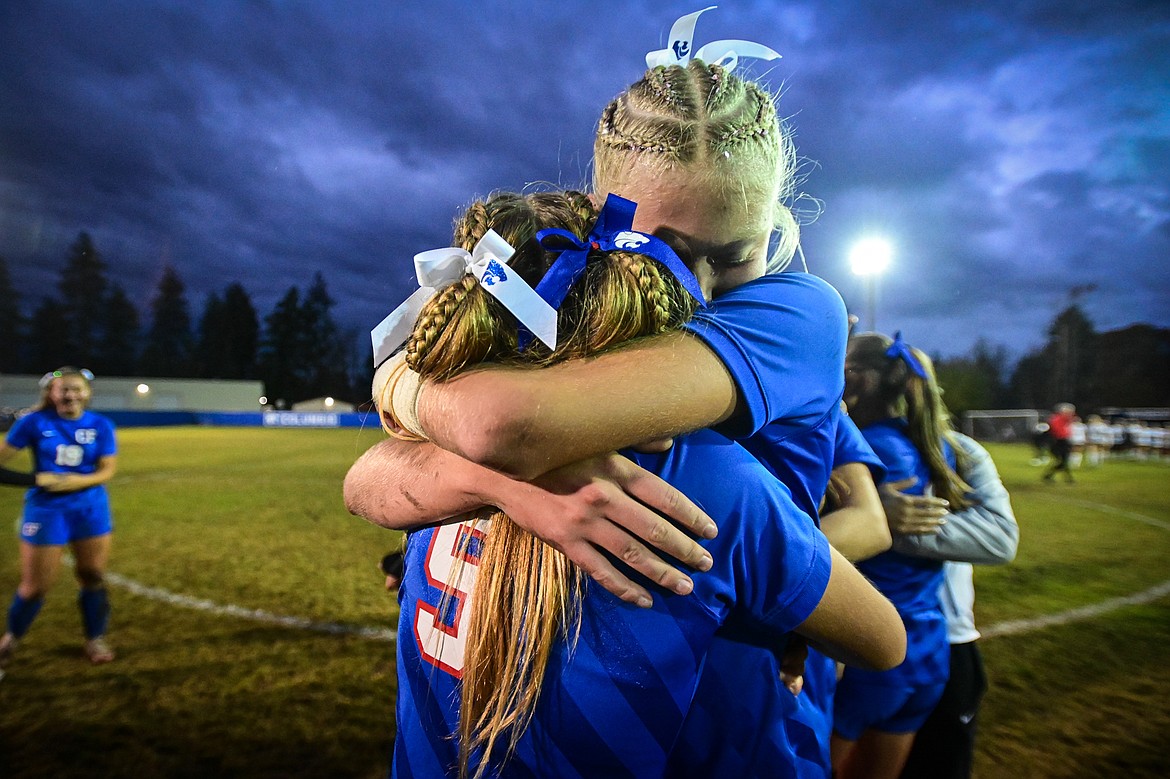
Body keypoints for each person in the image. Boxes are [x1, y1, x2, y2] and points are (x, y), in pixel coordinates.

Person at [347, 17, 898, 774]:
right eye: (666, 251)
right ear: (599, 214)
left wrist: (409, 383)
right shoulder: (551, 367)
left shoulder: (797, 313)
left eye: (738, 256)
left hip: (734, 715)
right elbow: (390, 470)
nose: (701, 292)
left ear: (777, 224)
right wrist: (502, 479)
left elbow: (491, 426)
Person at [830, 332, 973, 779]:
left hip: (870, 644)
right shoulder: (935, 444)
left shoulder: (867, 445)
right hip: (928, 648)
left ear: (860, 378)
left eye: (847, 366)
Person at [884, 430, 1019, 779]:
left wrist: (885, 523)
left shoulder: (959, 450)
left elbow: (1000, 538)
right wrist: (868, 509)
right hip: (849, 639)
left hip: (945, 639)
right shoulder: (837, 438)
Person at [0, 367, 118, 667]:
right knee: (35, 587)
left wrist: (76, 482)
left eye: (77, 389)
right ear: (51, 393)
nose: (70, 395)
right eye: (63, 389)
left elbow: (107, 470)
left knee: (92, 576)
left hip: (91, 509)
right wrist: (37, 480)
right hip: (46, 511)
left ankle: (95, 638)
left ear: (87, 393)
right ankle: (11, 638)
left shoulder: (101, 424)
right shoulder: (33, 423)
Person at [1042, 403, 1075, 482]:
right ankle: (1068, 478)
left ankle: (1049, 476)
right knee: (1063, 461)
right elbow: (1057, 432)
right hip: (1057, 442)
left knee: (1063, 461)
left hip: (1063, 441)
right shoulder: (1056, 419)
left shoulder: (1064, 419)